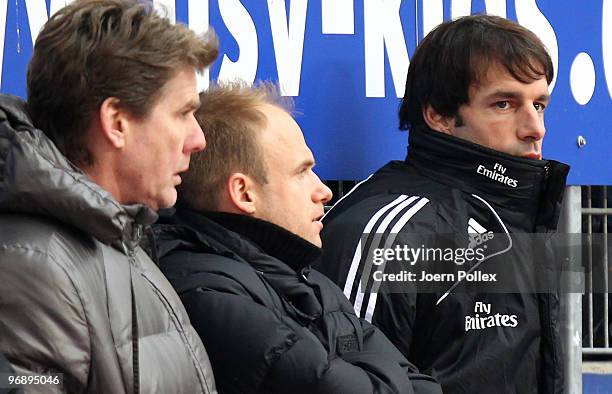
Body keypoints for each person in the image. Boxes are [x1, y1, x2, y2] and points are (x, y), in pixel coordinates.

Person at [316, 15, 570, 394]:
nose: (536, 128)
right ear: (438, 115)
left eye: (540, 105)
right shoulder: (390, 230)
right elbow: (344, 381)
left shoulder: (517, 215)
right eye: (504, 104)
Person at [151, 82, 442, 394]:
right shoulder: (206, 291)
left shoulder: (308, 278)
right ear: (244, 193)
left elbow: (424, 386)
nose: (324, 191)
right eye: (302, 172)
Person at [0, 0, 218, 392]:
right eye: (183, 113)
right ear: (117, 122)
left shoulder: (120, 236)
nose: (198, 140)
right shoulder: (34, 267)